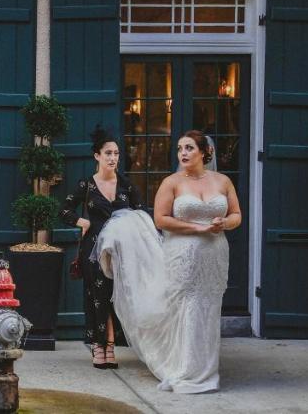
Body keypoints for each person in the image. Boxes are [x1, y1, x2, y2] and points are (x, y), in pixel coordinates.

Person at [91, 130, 243, 393]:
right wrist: (198, 228)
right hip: (182, 255)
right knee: (186, 308)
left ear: (205, 152)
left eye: (189, 148)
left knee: (208, 310)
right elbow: (161, 220)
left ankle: (207, 369)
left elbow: (236, 214)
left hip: (214, 257)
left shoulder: (223, 181)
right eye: (180, 149)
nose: (182, 153)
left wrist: (224, 223)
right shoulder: (171, 183)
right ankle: (183, 368)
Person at [59, 128, 144, 369]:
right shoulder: (86, 184)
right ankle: (99, 345)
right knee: (97, 296)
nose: (113, 158)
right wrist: (82, 221)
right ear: (97, 156)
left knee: (116, 296)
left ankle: (110, 345)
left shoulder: (127, 185)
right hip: (94, 248)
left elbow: (141, 217)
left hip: (121, 251)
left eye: (116, 153)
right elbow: (64, 210)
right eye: (108, 153)